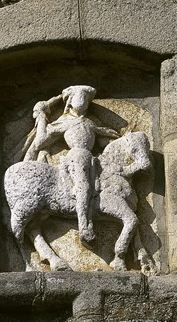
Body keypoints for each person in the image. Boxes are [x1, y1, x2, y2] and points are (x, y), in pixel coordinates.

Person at [23, 85, 118, 244]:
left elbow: (103, 142)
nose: (84, 102)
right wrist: (41, 121)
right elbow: (41, 141)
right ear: (71, 102)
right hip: (76, 157)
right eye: (80, 98)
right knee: (83, 187)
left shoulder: (90, 122)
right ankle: (84, 227)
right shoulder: (64, 121)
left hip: (94, 160)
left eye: (86, 100)